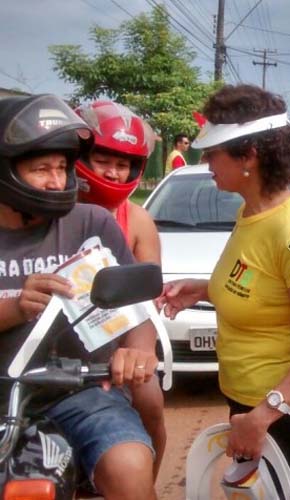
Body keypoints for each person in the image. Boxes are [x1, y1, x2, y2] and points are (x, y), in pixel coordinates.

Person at [155, 84, 290, 499]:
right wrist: (204, 290)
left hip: (284, 415)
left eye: (213, 152)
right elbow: (261, 287)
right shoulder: (251, 212)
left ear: (249, 156)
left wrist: (264, 415)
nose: (205, 162)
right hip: (248, 403)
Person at [0, 94, 160, 499]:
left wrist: (137, 352)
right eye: (41, 169)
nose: (56, 181)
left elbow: (135, 306)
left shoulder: (92, 223)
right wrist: (16, 306)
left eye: (62, 168)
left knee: (130, 465)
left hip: (81, 390)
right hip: (3, 389)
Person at [74, 100, 166, 477]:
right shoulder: (54, 209)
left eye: (123, 163)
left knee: (150, 402)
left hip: (122, 339)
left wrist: (134, 352)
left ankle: (149, 485)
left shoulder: (138, 219)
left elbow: (146, 296)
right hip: (51, 339)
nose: (113, 172)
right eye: (103, 160)